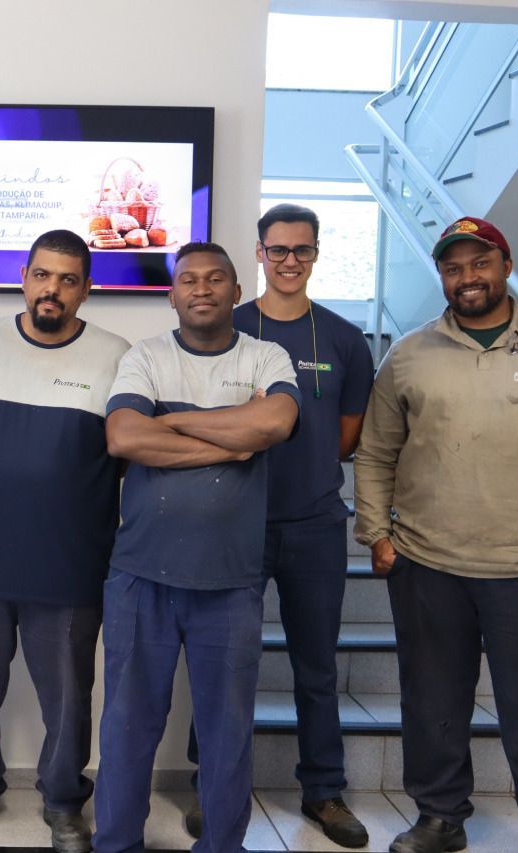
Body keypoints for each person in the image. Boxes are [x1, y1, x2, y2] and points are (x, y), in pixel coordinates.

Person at [94, 242, 300, 853]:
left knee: (226, 732)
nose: (202, 288)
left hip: (231, 582)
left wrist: (175, 423)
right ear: (173, 293)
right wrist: (230, 440)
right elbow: (123, 436)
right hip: (140, 578)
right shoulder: (147, 357)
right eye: (189, 280)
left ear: (238, 292)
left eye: (216, 279)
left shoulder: (267, 355)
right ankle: (116, 843)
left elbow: (274, 425)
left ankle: (222, 846)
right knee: (128, 730)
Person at [0, 229, 129, 853]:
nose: (53, 289)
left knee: (69, 697)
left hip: (70, 564)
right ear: (24, 277)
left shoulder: (117, 355)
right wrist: (5, 471)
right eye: (43, 275)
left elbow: (120, 454)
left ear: (87, 290)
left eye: (69, 280)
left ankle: (65, 799)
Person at [182, 204, 374, 848]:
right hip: (232, 520)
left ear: (317, 254)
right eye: (278, 249)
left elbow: (346, 439)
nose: (290, 261)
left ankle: (324, 791)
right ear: (259, 254)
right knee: (222, 662)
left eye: (303, 250)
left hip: (315, 526)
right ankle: (213, 787)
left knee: (316, 666)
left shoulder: (345, 340)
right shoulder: (227, 325)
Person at [355, 217, 518, 853]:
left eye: (479, 263)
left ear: (504, 265)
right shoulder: (409, 354)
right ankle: (440, 817)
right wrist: (377, 533)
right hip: (430, 562)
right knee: (433, 702)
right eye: (453, 268)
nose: (467, 278)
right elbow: (377, 453)